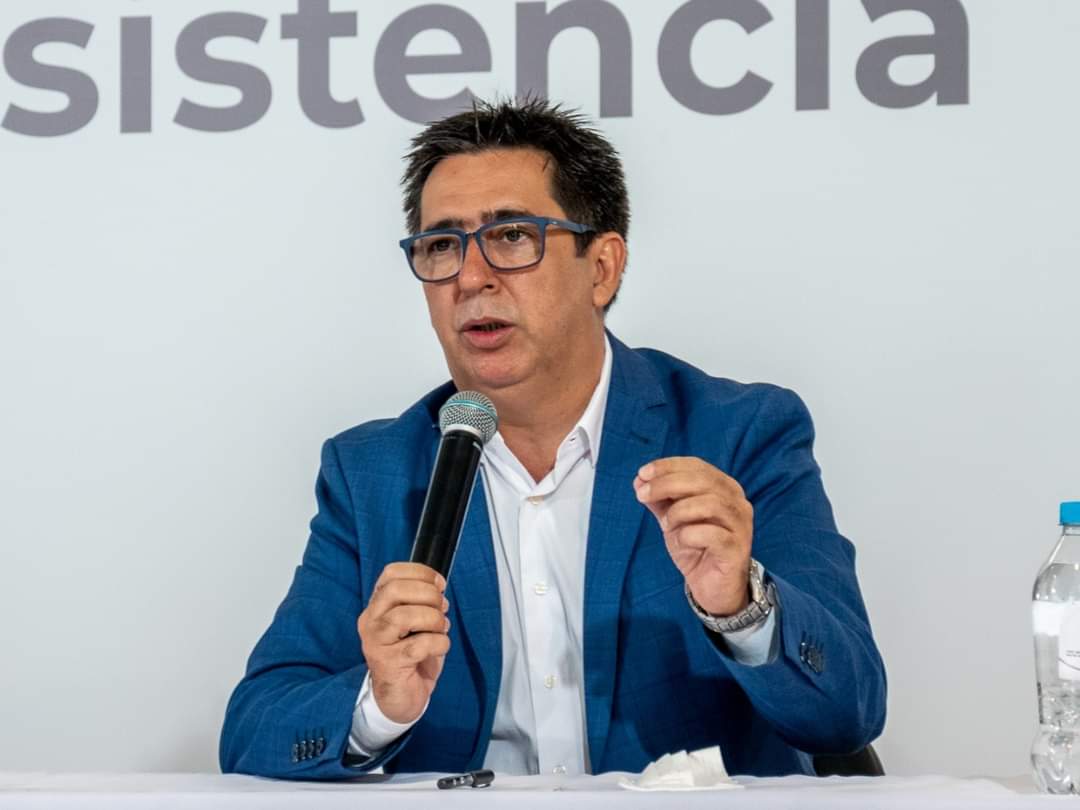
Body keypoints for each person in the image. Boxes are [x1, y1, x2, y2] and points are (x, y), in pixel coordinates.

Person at [218, 98, 886, 780]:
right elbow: (253, 732)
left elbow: (849, 712)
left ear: (603, 267)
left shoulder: (737, 435)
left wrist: (742, 607)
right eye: (442, 245)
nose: (470, 278)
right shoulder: (373, 473)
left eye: (511, 236)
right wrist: (376, 706)